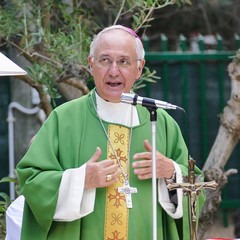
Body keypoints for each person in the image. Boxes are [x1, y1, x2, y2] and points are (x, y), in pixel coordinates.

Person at [16, 25, 205, 240]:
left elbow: (196, 190)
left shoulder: (160, 123)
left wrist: (171, 172)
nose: (113, 71)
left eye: (123, 62)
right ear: (91, 64)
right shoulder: (64, 118)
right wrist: (80, 180)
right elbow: (32, 183)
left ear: (139, 68)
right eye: (105, 60)